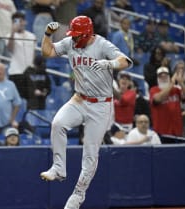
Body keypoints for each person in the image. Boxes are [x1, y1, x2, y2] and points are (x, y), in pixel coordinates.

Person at [39, 16, 132, 209]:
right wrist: (47, 34)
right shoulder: (70, 43)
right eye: (72, 35)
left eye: (77, 35)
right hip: (79, 99)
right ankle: (58, 168)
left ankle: (78, 195)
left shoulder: (101, 44)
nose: (73, 39)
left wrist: (109, 64)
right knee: (57, 124)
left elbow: (126, 61)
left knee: (90, 155)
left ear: (87, 33)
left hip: (101, 105)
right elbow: (47, 52)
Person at [150, 67, 185, 136]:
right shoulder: (153, 90)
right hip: (161, 131)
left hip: (177, 130)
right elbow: (158, 99)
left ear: (169, 76)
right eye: (160, 76)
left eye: (165, 75)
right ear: (157, 78)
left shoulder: (176, 90)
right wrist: (171, 84)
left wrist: (181, 83)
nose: (163, 77)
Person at [6, 11, 37, 98]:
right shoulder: (9, 36)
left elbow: (33, 53)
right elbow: (10, 49)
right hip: (16, 72)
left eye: (20, 21)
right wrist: (12, 32)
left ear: (24, 22)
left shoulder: (32, 36)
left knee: (30, 99)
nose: (19, 24)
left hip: (29, 73)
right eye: (15, 21)